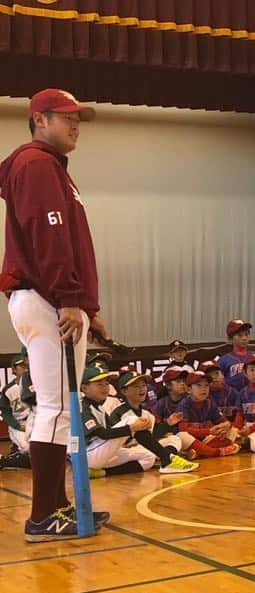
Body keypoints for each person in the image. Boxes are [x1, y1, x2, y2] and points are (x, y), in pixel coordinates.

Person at [0, 88, 112, 541]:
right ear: (39, 120)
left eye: (78, 118)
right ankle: (42, 515)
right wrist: (69, 297)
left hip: (53, 299)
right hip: (46, 298)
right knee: (52, 406)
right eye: (65, 117)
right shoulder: (38, 164)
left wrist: (88, 307)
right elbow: (50, 241)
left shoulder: (48, 168)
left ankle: (59, 506)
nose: (75, 125)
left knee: (60, 407)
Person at [106, 368, 200, 473]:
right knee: (148, 454)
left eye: (143, 386)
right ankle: (168, 459)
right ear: (124, 391)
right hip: (128, 449)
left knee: (174, 439)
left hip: (145, 447)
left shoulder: (146, 412)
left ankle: (164, 459)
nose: (141, 389)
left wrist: (168, 423)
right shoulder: (119, 413)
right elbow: (116, 439)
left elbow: (152, 434)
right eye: (136, 386)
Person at [175, 372, 240, 457]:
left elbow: (223, 421)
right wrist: (208, 431)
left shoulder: (209, 403)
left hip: (206, 440)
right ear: (188, 389)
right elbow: (183, 430)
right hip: (191, 440)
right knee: (182, 436)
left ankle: (199, 452)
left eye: (206, 385)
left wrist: (226, 425)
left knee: (233, 431)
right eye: (199, 385)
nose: (204, 389)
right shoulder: (184, 405)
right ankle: (216, 452)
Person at [0, 353, 33, 468]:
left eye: (26, 365)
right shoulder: (8, 389)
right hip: (19, 424)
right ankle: (12, 455)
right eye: (21, 366)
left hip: (34, 421)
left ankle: (15, 450)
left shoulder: (35, 384)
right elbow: (5, 413)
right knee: (28, 449)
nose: (25, 368)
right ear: (14, 369)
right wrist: (18, 426)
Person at [218, 319, 252, 391]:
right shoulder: (224, 360)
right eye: (240, 335)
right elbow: (218, 383)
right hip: (232, 398)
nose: (244, 338)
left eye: (246, 334)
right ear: (230, 339)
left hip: (253, 397)